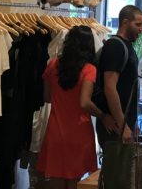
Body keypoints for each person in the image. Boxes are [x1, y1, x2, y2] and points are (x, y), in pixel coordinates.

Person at [38, 26, 117, 189]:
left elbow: (46, 97)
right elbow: (84, 102)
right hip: (78, 132)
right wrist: (103, 116)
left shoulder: (52, 64)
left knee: (56, 177)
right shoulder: (89, 69)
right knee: (75, 182)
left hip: (55, 131)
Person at [93, 4, 142, 147]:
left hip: (121, 124)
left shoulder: (127, 46)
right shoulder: (115, 46)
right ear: (125, 22)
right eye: (137, 24)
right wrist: (123, 126)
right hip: (115, 127)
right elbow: (110, 88)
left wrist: (131, 124)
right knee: (115, 161)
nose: (141, 29)